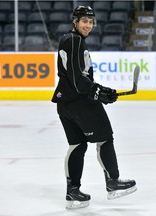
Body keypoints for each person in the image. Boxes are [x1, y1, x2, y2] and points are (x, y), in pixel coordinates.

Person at [51, 6, 137, 210]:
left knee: (77, 145)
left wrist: (99, 90)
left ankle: (73, 193)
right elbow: (77, 78)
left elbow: (78, 77)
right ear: (75, 22)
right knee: (105, 138)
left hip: (65, 103)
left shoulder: (72, 40)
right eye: (84, 21)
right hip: (80, 102)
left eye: (90, 22)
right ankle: (113, 183)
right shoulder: (74, 40)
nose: (88, 25)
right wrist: (97, 92)